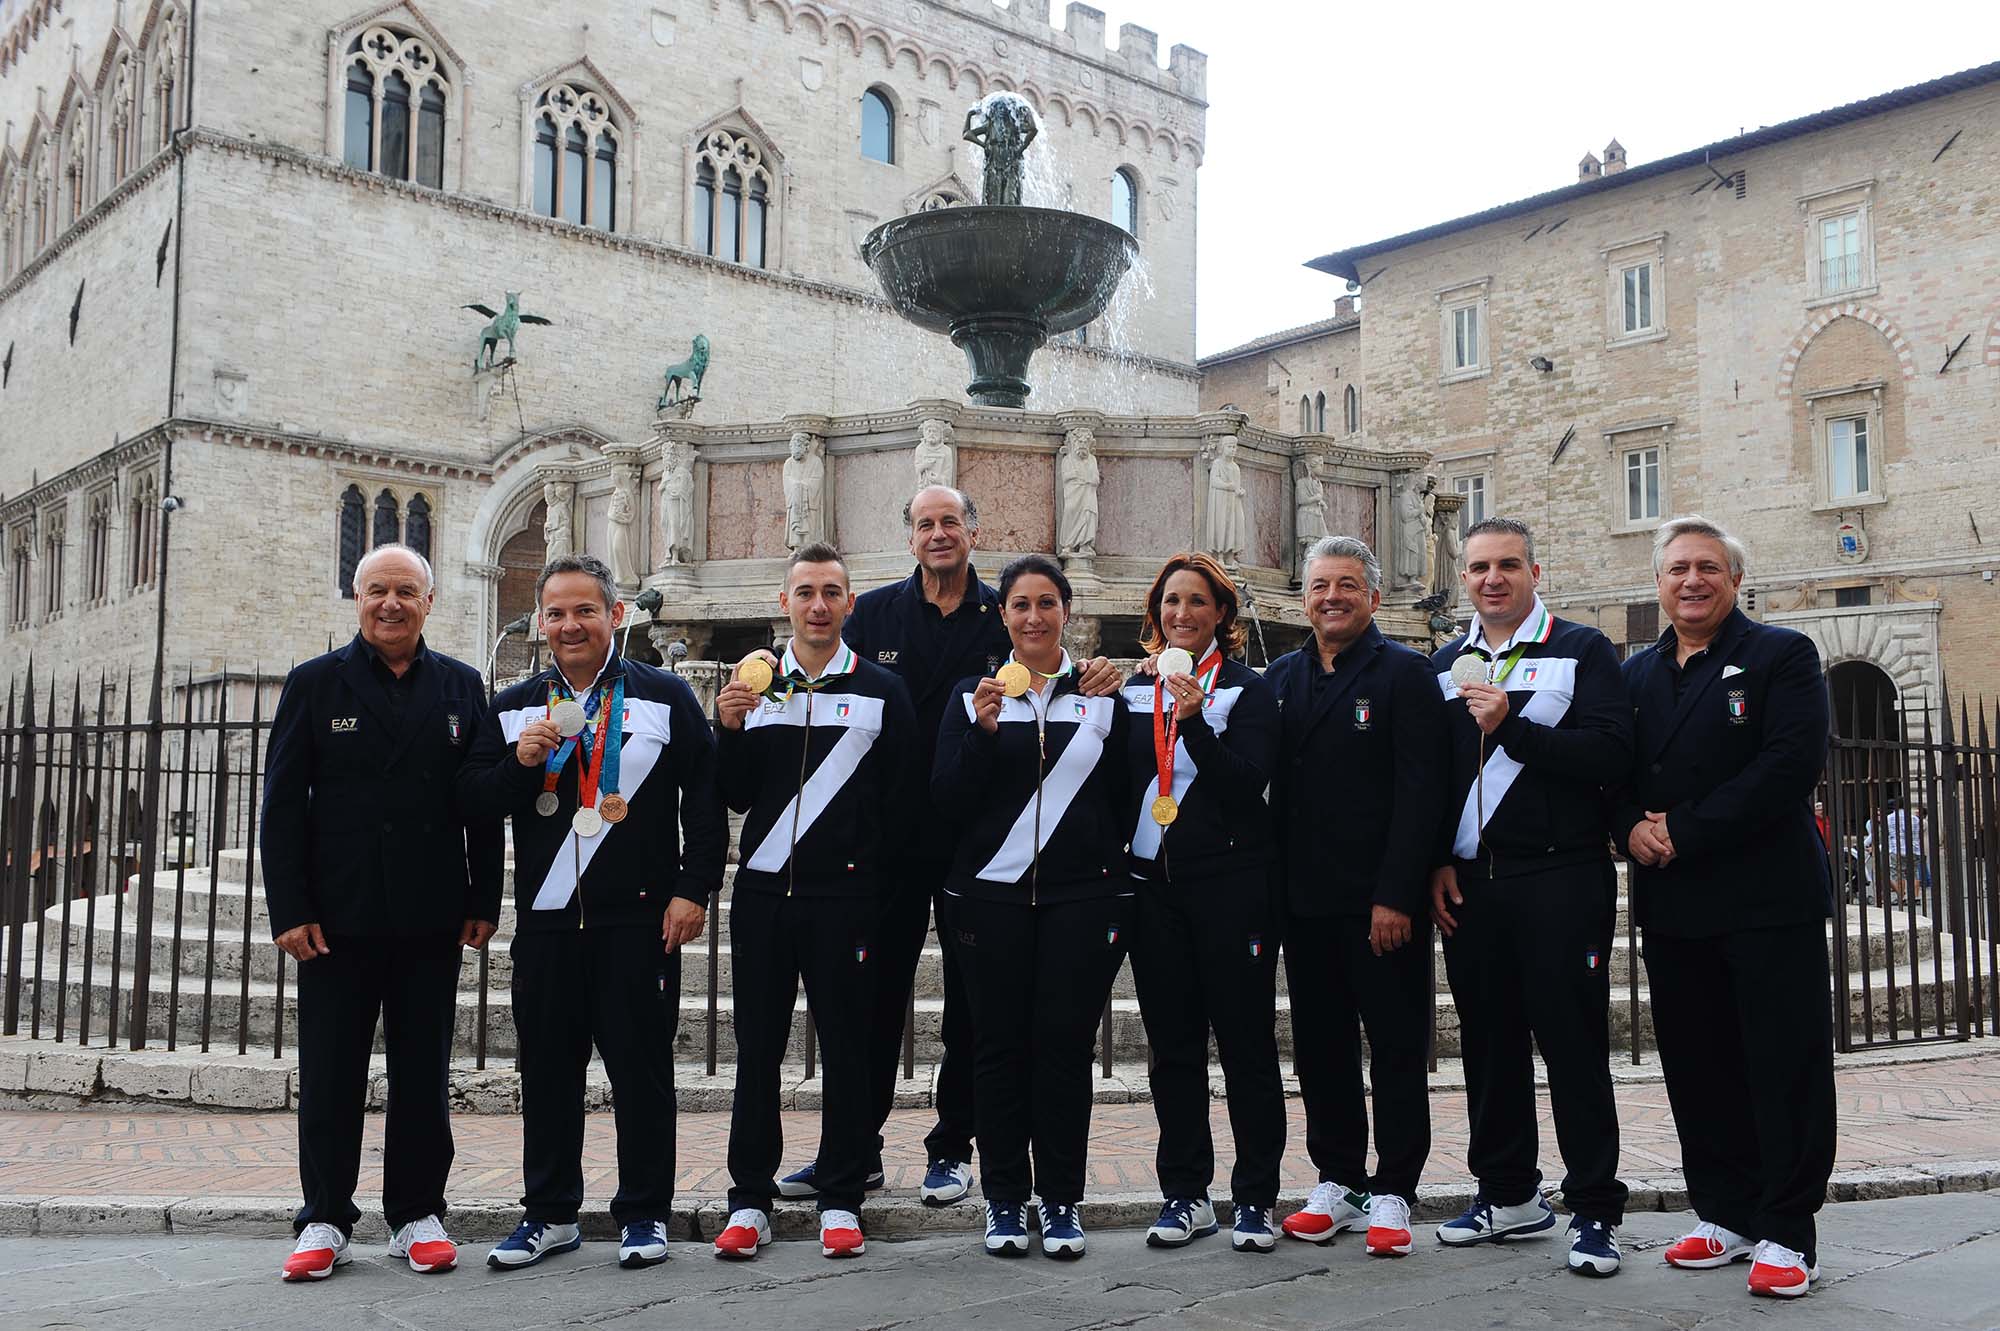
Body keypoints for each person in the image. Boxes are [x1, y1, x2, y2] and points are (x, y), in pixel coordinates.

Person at [776, 485, 1122, 1208]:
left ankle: (950, 1148)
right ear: (910, 537)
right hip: (886, 839)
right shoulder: (871, 613)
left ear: (974, 529)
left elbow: (1053, 673)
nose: (939, 534)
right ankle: (854, 1147)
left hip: (983, 844)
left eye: (951, 522)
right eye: (925, 524)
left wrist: (1097, 674)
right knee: (872, 998)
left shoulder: (1003, 610)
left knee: (974, 1006)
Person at [458, 554, 725, 1271]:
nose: (570, 624)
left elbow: (703, 799)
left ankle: (644, 1212)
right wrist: (519, 762)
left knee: (642, 1074)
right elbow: (476, 803)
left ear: (616, 615)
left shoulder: (666, 696)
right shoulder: (513, 703)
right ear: (541, 622)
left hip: (637, 922)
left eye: (584, 610)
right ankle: (549, 1213)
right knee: (546, 1074)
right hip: (546, 922)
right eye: (556, 613)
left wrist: (692, 887)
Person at [261, 543, 503, 1282]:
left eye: (405, 590)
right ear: (357, 598)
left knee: (423, 1073)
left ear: (430, 601)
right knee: (331, 1072)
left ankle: (416, 1213)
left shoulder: (463, 686)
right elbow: (281, 809)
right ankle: (325, 1217)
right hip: (336, 918)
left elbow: (482, 803)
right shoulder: (314, 684)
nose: (390, 602)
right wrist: (289, 907)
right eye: (376, 590)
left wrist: (483, 898)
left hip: (431, 915)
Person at [1612, 515, 1836, 1300]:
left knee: (1784, 1065)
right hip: (1676, 906)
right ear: (1660, 581)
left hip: (1769, 899)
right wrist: (1627, 827)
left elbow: (1788, 764)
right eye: (1678, 568)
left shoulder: (1782, 656)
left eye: (1708, 567)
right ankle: (1727, 1211)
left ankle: (1789, 1229)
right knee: (1699, 1068)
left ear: (1735, 580)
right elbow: (1610, 771)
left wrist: (1681, 827)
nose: (1692, 580)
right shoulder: (1636, 674)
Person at [1427, 517, 1630, 1277]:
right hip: (1474, 884)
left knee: (1574, 1045)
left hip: (1561, 875)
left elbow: (1611, 752)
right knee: (1489, 1045)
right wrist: (1437, 859)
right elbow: (1437, 776)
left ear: (1534, 570)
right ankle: (1508, 1194)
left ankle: (1596, 1209)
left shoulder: (1582, 650)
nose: (1491, 578)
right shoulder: (1447, 661)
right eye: (1478, 567)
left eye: (1507, 564)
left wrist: (1514, 726)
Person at [710, 543, 919, 1262]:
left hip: (847, 898)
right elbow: (733, 791)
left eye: (832, 591)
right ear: (785, 603)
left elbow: (901, 803)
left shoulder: (883, 689)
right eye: (805, 591)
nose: (818, 604)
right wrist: (727, 728)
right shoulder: (753, 683)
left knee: (850, 1050)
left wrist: (870, 885)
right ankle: (749, 1198)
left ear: (850, 603)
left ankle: (839, 1195)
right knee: (756, 1050)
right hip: (764, 894)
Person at [933, 554, 1131, 1259]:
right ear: (1004, 615)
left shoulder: (1104, 692)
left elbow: (1129, 793)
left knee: (1064, 1050)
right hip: (989, 901)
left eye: (1047, 603)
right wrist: (983, 733)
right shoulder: (973, 694)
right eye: (1020, 604)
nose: (1034, 616)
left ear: (1067, 612)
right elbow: (948, 799)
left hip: (1082, 899)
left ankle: (1063, 1200)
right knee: (997, 1050)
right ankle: (1005, 1199)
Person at [1267, 536, 1448, 1258]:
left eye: (1346, 584)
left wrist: (1397, 892)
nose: (1331, 597)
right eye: (1319, 586)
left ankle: (1396, 1186)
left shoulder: (1407, 673)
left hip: (1382, 902)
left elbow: (1422, 791)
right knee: (1321, 1046)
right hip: (1304, 900)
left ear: (1374, 596)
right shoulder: (1280, 676)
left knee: (1397, 1045)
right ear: (1302, 598)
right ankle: (1338, 1177)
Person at [1119, 553, 1286, 1254]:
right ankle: (1185, 1192)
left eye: (1196, 602)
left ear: (1222, 613)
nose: (1181, 613)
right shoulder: (1133, 688)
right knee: (1173, 1051)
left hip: (1233, 889)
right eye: (1169, 601)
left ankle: (1254, 1197)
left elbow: (1248, 784)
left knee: (1246, 1046)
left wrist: (1194, 723)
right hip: (1153, 891)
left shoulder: (1250, 690)